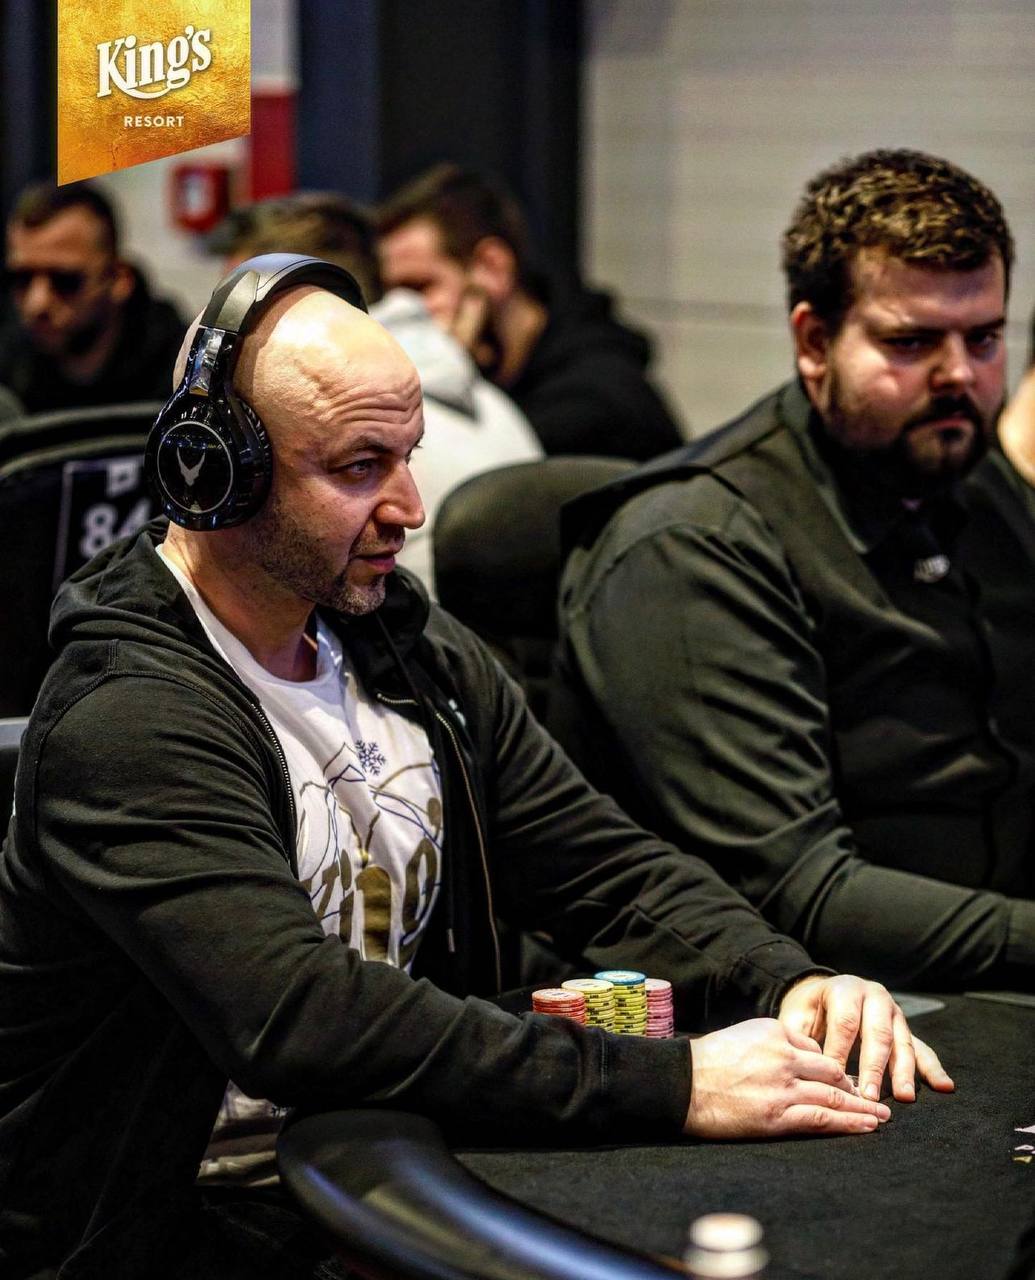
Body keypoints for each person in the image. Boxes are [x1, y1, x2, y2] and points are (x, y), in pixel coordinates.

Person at [0, 254, 949, 1280]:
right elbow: (301, 1016)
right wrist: (677, 1082)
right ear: (215, 473)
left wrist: (786, 978)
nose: (410, 507)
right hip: (172, 1228)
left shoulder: (407, 647)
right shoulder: (130, 716)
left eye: (407, 457)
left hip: (379, 1161)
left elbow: (602, 868)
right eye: (359, 468)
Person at [554, 148, 1035, 991]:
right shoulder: (691, 544)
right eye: (911, 341)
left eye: (984, 338)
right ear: (814, 342)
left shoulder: (973, 482)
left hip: (985, 975)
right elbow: (794, 891)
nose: (959, 374)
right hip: (811, 1002)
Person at [211, 190, 543, 594]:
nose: (220, 328)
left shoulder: (334, 414)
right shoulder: (491, 399)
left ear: (299, 298)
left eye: (237, 304)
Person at [377, 164, 685, 461]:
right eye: (387, 294)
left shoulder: (593, 404)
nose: (399, 309)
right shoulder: (499, 379)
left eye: (419, 287)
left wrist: (445, 368)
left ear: (492, 268)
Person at [0, 180, 184, 413]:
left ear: (118, 279)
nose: (37, 302)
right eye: (22, 279)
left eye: (65, 281)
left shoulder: (182, 371)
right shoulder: (8, 368)